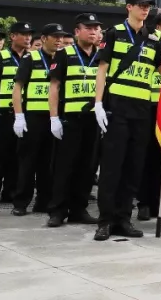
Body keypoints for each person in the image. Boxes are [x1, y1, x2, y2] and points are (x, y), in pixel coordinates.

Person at [93, 0, 161, 241]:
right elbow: (102, 69)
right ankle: (105, 221)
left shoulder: (153, 39)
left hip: (142, 110)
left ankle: (124, 219)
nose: (145, 9)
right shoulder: (114, 33)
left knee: (134, 167)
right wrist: (98, 103)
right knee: (112, 167)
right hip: (117, 108)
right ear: (129, 7)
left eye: (148, 6)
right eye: (141, 5)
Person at [45, 14, 102, 227]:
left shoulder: (102, 55)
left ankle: (79, 209)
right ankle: (58, 210)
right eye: (88, 28)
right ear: (77, 31)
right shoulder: (64, 54)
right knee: (64, 167)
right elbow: (54, 87)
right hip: (70, 120)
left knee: (87, 167)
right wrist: (54, 118)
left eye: (96, 28)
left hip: (93, 120)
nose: (93, 32)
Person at [11, 23, 66, 215]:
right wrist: (19, 116)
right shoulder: (31, 58)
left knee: (48, 163)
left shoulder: (63, 58)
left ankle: (43, 202)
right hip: (33, 117)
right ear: (43, 39)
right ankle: (20, 203)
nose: (59, 40)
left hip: (55, 118)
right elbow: (17, 88)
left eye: (61, 37)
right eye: (55, 37)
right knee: (28, 162)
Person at [0, 21, 32, 205]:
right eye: (23, 34)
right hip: (3, 113)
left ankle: (10, 192)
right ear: (13, 36)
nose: (27, 38)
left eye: (29, 35)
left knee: (18, 156)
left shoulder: (32, 57)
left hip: (24, 113)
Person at [137, 10, 161, 222]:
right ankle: (144, 203)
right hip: (148, 106)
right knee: (147, 157)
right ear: (159, 26)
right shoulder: (150, 44)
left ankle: (157, 203)